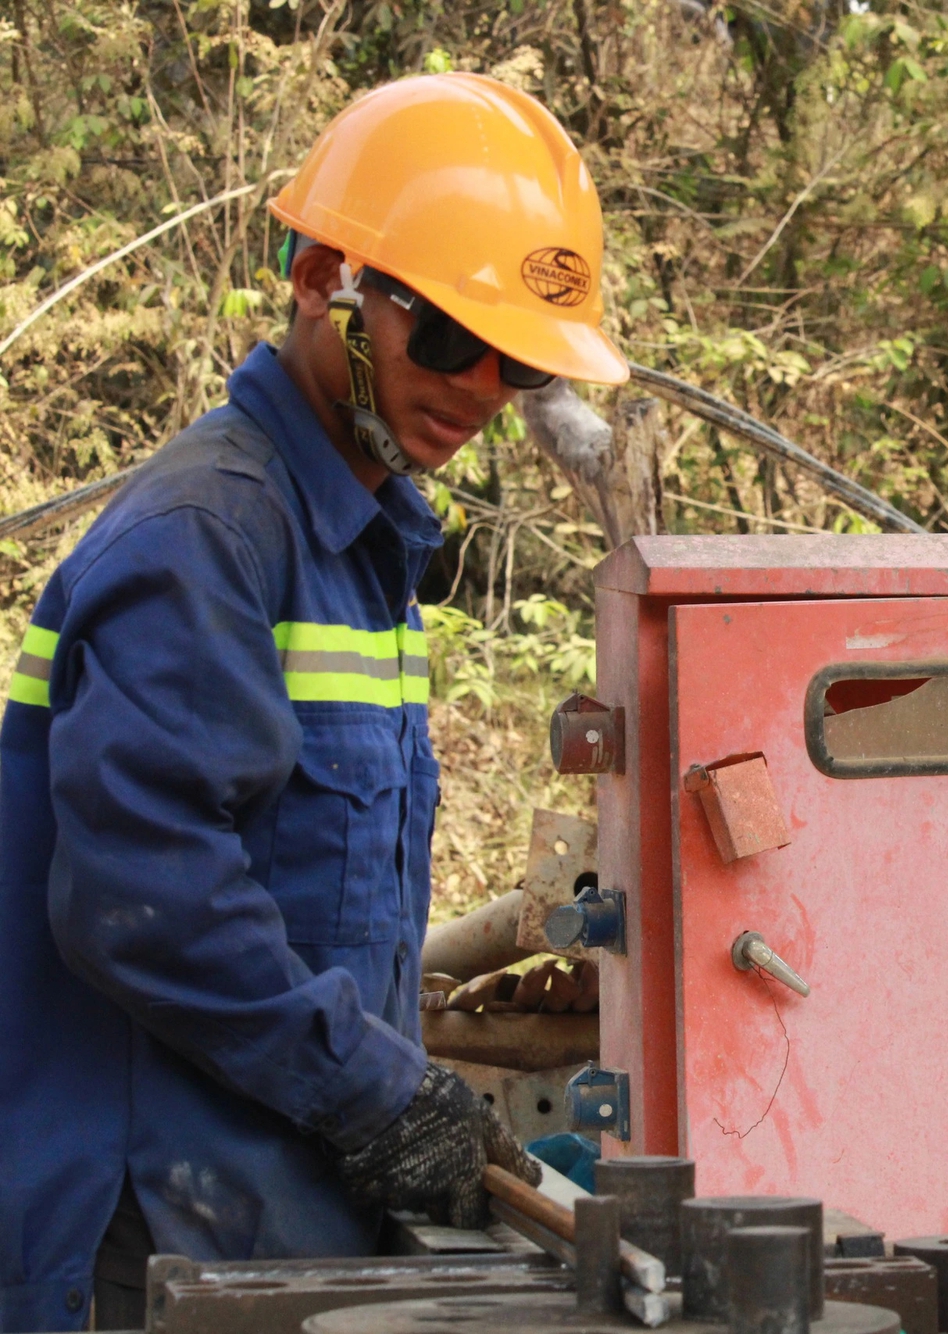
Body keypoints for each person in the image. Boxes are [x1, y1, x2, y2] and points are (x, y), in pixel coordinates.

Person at [0, 73, 629, 1331]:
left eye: (508, 359)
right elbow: (145, 899)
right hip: (154, 1237)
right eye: (442, 337)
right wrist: (377, 1097)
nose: (472, 388)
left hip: (274, 1220)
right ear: (321, 282)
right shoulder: (211, 535)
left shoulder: (359, 548)